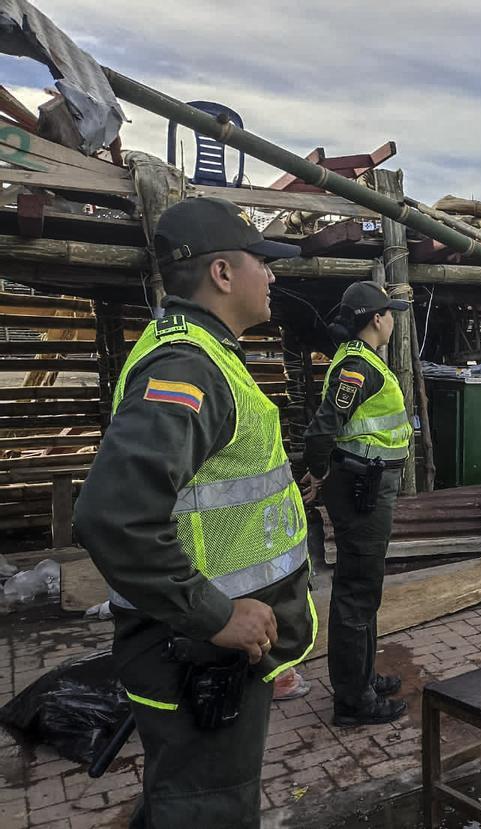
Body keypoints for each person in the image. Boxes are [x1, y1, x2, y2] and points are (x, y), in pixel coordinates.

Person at [74, 197, 316, 828]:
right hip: (196, 653)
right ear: (223, 274)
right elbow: (112, 516)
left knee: (184, 804)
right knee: (206, 812)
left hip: (205, 651)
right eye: (262, 261)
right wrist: (214, 615)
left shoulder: (204, 353)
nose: (272, 276)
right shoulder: (188, 368)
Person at [301, 281, 413, 727]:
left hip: (364, 484)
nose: (393, 320)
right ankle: (353, 701)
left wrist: (324, 470)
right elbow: (320, 431)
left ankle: (363, 677)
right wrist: (321, 470)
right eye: (390, 313)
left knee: (365, 587)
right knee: (357, 591)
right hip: (361, 488)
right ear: (376, 319)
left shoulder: (362, 362)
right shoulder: (357, 367)